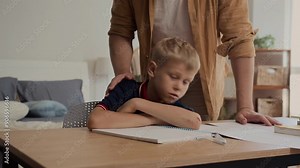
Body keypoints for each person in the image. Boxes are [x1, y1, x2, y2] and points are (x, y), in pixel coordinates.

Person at [106, 0, 280, 126]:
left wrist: (246, 107)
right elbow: (121, 30)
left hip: (201, 81)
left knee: (195, 146)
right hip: (156, 79)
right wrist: (123, 74)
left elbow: (239, 39)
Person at [88, 37, 201, 130]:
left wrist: (137, 103)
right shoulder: (125, 88)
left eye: (186, 82)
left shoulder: (172, 101)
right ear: (152, 69)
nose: (178, 87)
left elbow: (195, 122)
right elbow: (95, 121)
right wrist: (157, 119)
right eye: (173, 77)